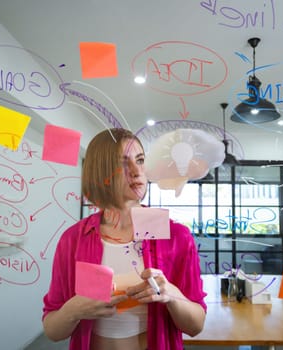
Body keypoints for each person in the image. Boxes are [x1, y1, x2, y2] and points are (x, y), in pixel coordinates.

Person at [42, 128, 207, 350]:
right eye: (123, 163)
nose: (137, 171)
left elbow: (196, 326)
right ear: (99, 173)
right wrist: (74, 310)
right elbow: (52, 331)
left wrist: (171, 295)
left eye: (140, 160)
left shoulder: (175, 234)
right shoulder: (74, 238)